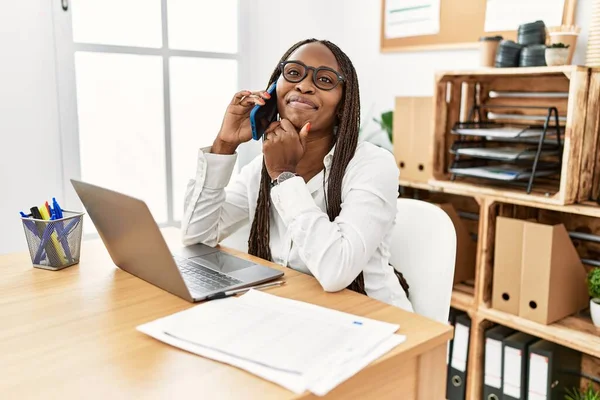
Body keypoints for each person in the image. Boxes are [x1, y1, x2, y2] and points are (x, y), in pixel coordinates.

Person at [181, 38, 413, 312]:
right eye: (293, 73)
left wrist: (284, 177)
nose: (304, 85)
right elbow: (197, 238)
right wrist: (224, 144)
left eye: (325, 80)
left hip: (372, 319)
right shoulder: (259, 168)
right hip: (295, 312)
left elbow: (335, 271)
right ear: (273, 91)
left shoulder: (372, 166)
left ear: (343, 104)